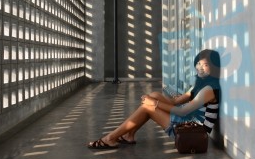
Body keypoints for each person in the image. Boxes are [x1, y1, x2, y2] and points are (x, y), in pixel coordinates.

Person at [88, 49, 221, 149]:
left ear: (214, 68)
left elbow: (183, 112)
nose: (200, 68)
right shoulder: (200, 85)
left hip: (193, 133)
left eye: (205, 65)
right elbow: (175, 102)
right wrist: (156, 99)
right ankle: (129, 135)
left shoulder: (209, 89)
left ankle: (110, 138)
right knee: (155, 94)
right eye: (199, 64)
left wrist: (154, 104)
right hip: (189, 124)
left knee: (148, 106)